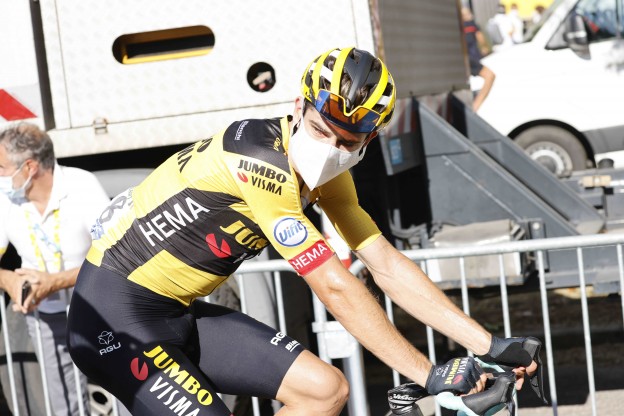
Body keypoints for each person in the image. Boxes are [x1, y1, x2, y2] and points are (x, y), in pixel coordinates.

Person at [66, 47, 539, 416]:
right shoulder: (259, 160)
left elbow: (385, 265)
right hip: (113, 318)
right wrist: (429, 374)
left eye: (347, 142)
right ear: (298, 106)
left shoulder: (332, 175)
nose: (329, 149)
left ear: (369, 140)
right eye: (319, 129)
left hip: (174, 312)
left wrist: (491, 345)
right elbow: (335, 287)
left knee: (323, 390)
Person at [0, 123, 110, 416]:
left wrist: (55, 281)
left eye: (2, 168)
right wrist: (8, 279)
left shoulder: (82, 185)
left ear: (30, 167)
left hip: (99, 311)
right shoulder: (5, 199)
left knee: (126, 390)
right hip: (45, 318)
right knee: (64, 406)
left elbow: (116, 254)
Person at [462, 7, 496, 111]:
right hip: (471, 57)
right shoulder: (472, 25)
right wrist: (484, 48)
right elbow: (480, 37)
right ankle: (474, 107)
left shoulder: (462, 27)